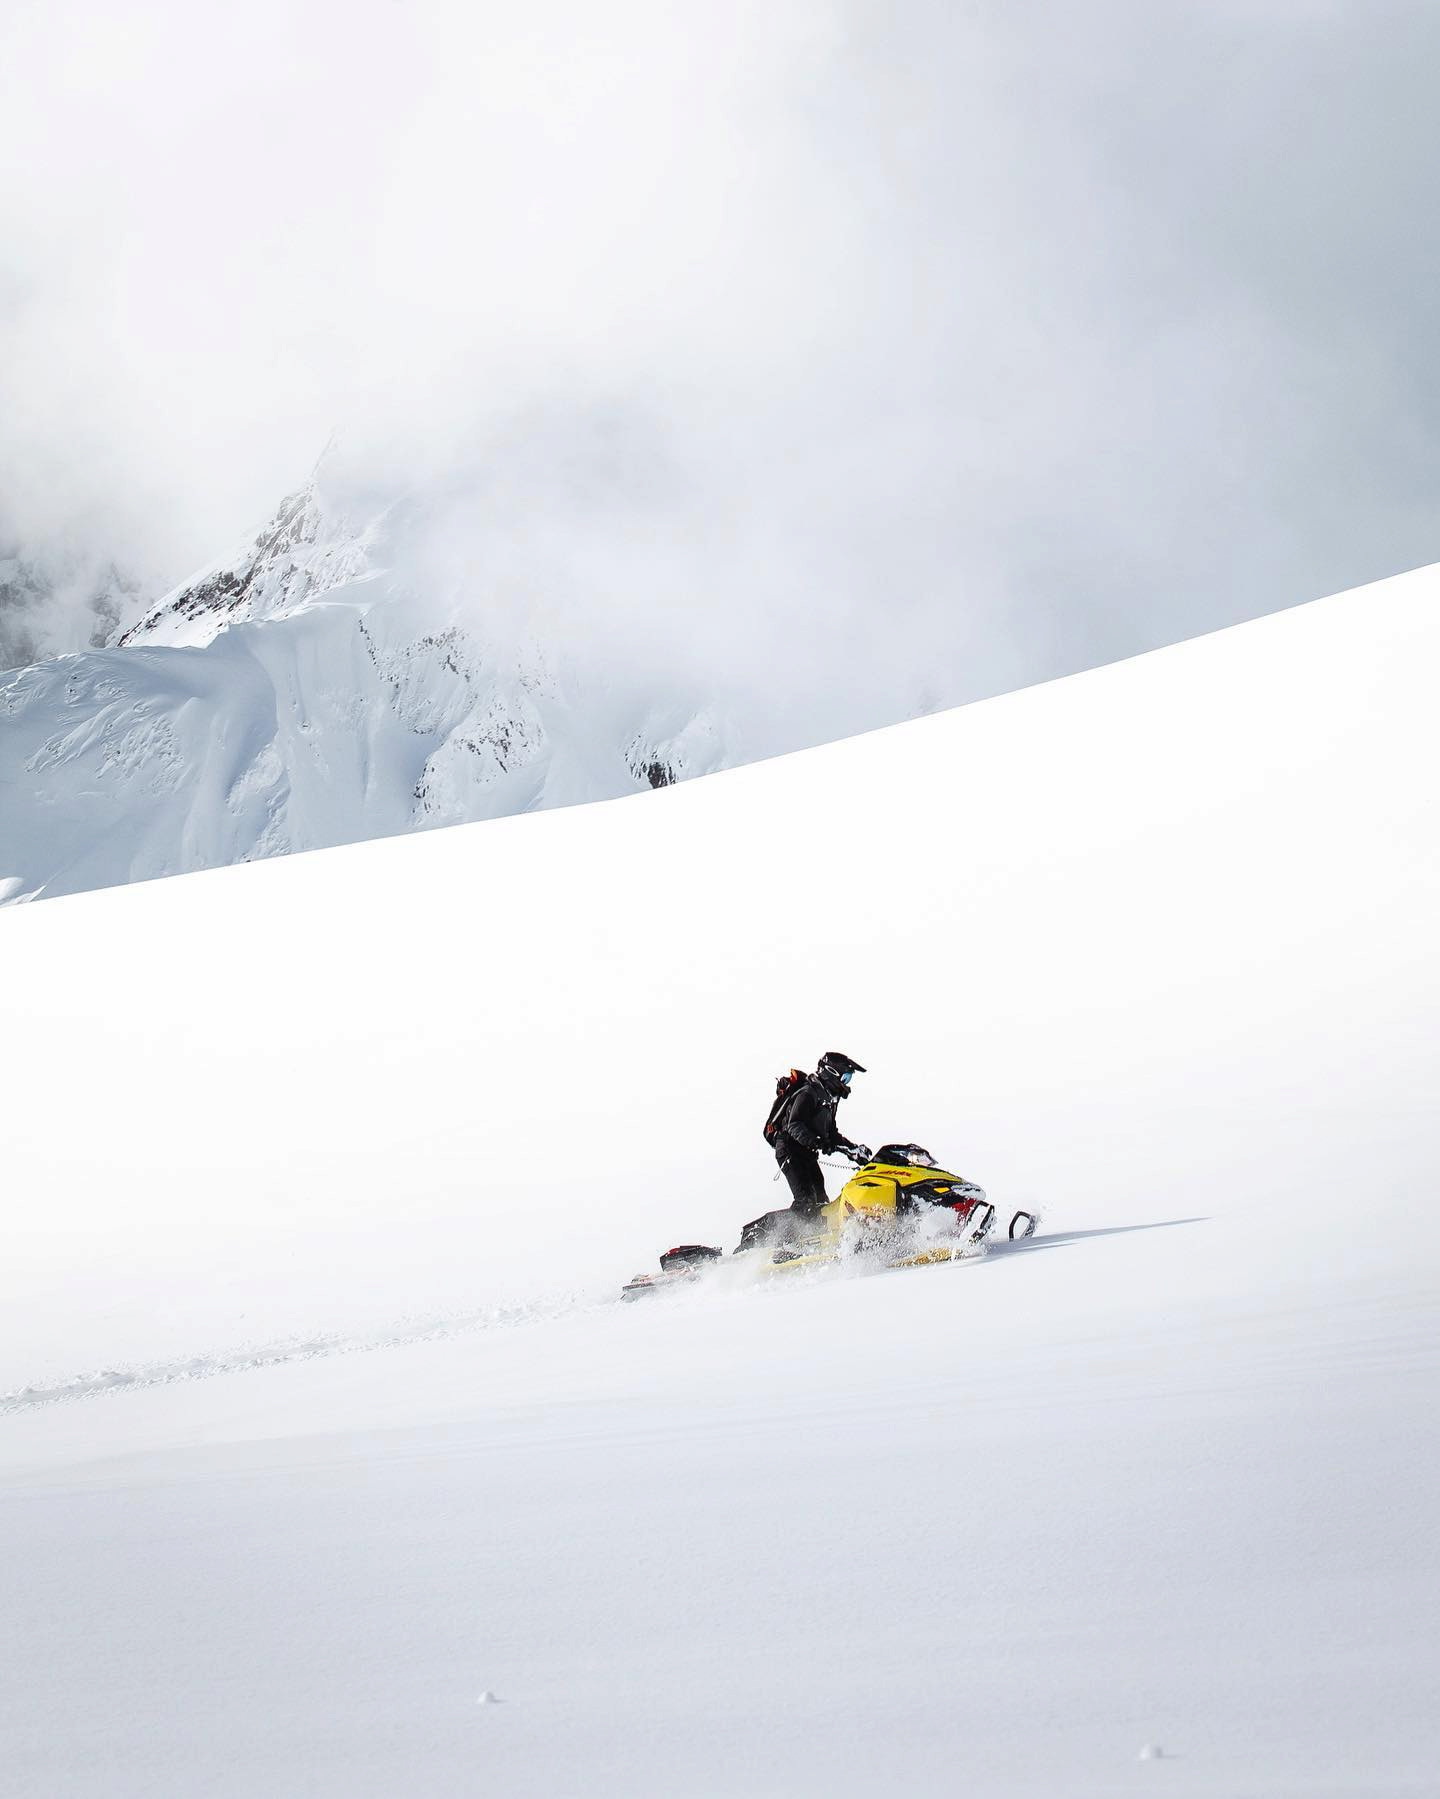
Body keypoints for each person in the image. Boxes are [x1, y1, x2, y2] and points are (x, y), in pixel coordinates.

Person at [738, 1051, 872, 1252]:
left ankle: (812, 1242)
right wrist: (818, 1142)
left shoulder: (828, 1100)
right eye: (846, 1077)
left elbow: (832, 1134)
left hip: (807, 1153)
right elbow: (794, 1125)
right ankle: (763, 1239)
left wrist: (853, 1150)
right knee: (805, 1202)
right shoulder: (808, 1093)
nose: (847, 1082)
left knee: (821, 1203)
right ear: (831, 1073)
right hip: (790, 1150)